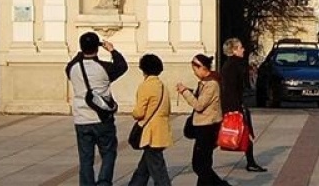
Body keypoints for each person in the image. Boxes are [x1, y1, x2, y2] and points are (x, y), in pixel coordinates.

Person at [65, 32, 128, 186]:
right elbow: (122, 66)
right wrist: (112, 50)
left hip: (81, 118)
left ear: (81, 48)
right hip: (102, 118)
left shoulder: (73, 69)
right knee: (108, 153)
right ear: (97, 48)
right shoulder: (104, 68)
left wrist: (82, 51)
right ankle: (104, 182)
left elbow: (71, 64)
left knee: (85, 158)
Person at [178, 54, 231, 186]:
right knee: (202, 164)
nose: (194, 73)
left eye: (195, 70)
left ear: (202, 68)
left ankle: (221, 185)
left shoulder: (211, 84)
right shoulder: (206, 82)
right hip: (204, 126)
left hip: (207, 127)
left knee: (200, 165)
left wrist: (185, 92)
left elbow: (199, 105)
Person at [220, 37, 266, 173]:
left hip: (234, 104)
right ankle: (250, 162)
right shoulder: (234, 65)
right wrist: (237, 108)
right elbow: (231, 89)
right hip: (234, 106)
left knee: (245, 133)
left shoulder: (231, 64)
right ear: (234, 50)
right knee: (242, 132)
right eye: (240, 47)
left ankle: (250, 161)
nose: (243, 49)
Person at [127, 54, 172, 186]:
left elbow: (139, 112)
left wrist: (133, 113)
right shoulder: (163, 86)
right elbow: (168, 109)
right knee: (144, 167)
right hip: (162, 130)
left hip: (150, 133)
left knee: (158, 169)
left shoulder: (146, 86)